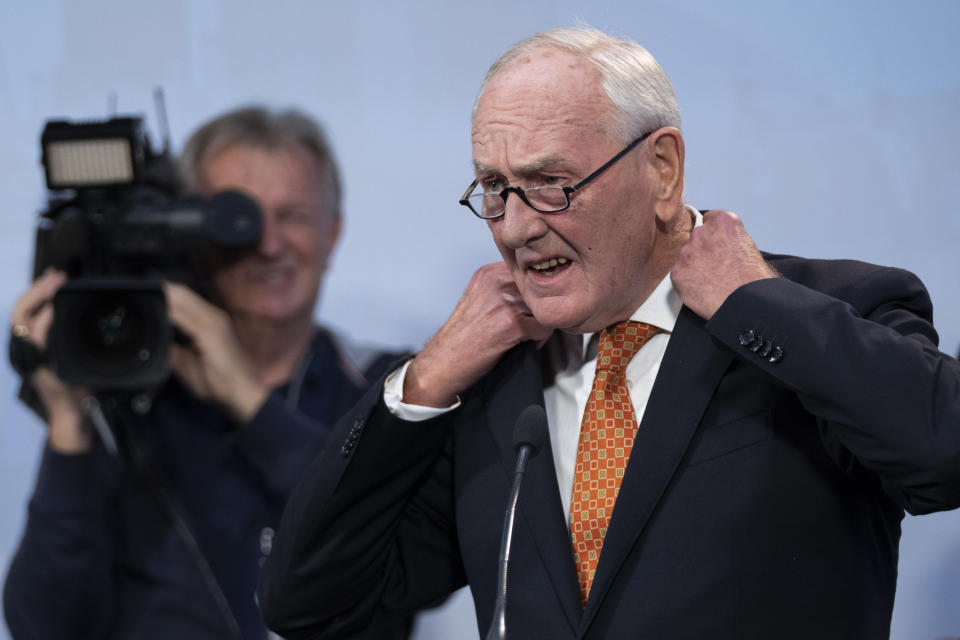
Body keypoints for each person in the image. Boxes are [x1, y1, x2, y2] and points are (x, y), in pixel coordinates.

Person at [258, 27, 960, 640]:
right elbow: (312, 605)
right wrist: (425, 380)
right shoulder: (492, 385)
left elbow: (943, 456)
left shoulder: (825, 310)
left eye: (551, 183)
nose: (516, 226)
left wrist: (757, 304)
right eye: (494, 188)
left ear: (662, 170)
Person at [3, 106, 409, 639]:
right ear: (188, 234)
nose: (268, 244)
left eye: (293, 216)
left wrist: (245, 397)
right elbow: (44, 626)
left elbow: (398, 548)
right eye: (238, 220)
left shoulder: (389, 389)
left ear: (333, 232)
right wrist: (68, 421)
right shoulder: (130, 403)